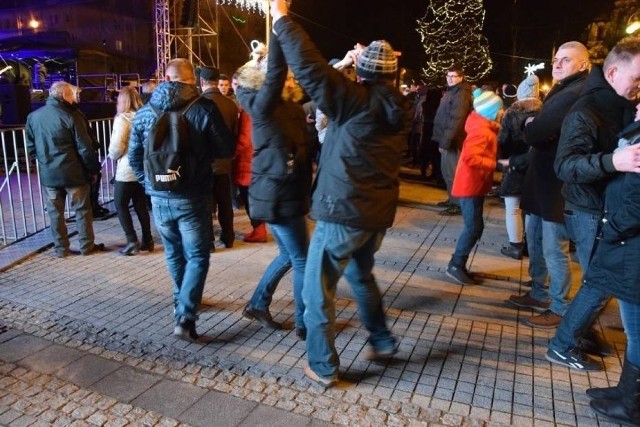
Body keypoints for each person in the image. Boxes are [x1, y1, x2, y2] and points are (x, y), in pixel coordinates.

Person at [269, 0, 414, 387]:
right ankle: (382, 340)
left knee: (318, 290)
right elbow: (328, 79)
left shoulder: (354, 101)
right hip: (374, 215)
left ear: (362, 74)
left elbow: (311, 69)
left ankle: (322, 365)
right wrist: (355, 64)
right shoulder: (399, 106)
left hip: (341, 213)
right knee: (362, 276)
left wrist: (283, 18)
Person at [545, 36, 640, 370]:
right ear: (613, 72)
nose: (639, 86)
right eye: (637, 79)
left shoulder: (620, 102)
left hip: (604, 209)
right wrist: (614, 161)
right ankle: (563, 344)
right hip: (588, 210)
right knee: (601, 283)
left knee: (601, 280)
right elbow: (565, 166)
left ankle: (579, 334)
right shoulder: (588, 109)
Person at [128, 58, 233, 341]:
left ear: (166, 77)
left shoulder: (144, 111)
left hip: (159, 196)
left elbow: (135, 156)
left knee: (173, 252)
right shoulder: (203, 108)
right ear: (192, 80)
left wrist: (149, 183)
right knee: (198, 255)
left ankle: (181, 300)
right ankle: (186, 315)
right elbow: (225, 148)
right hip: (194, 194)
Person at [508, 41, 591, 328]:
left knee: (554, 246)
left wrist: (531, 124)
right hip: (541, 180)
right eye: (556, 59)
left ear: (582, 65)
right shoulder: (563, 88)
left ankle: (560, 306)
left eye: (565, 60)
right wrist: (533, 125)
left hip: (556, 185)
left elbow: (537, 131)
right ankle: (539, 292)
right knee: (536, 239)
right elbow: (537, 129)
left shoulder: (575, 91)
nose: (557, 64)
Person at [235, 36, 312, 338]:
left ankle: (257, 304)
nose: (289, 75)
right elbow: (276, 71)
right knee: (302, 258)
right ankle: (306, 323)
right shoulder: (261, 105)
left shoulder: (289, 107)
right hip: (278, 193)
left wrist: (341, 68)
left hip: (288, 191)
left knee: (288, 255)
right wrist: (280, 26)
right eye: (284, 73)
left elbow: (317, 94)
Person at [582, 108, 640, 425]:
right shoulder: (634, 132)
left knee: (638, 331)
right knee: (634, 329)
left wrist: (611, 226)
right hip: (629, 243)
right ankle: (625, 392)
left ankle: (631, 405)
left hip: (632, 244)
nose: (636, 104)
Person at [25, 81, 103, 257]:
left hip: (49, 175)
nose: (75, 98)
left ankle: (61, 249)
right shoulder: (72, 117)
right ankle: (86, 246)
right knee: (82, 211)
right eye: (73, 95)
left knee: (55, 214)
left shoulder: (33, 117)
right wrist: (93, 169)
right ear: (65, 95)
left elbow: (31, 147)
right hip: (74, 174)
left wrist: (45, 162)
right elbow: (85, 148)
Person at [445, 91, 503, 285]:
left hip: (474, 185)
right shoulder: (482, 131)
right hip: (470, 185)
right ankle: (455, 265)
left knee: (475, 226)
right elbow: (471, 158)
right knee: (473, 227)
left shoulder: (483, 126)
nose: (502, 111)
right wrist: (497, 164)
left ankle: (458, 264)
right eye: (499, 108)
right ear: (491, 111)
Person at [497, 74, 542, 260]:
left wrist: (505, 161)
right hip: (537, 167)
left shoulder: (512, 113)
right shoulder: (545, 112)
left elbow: (503, 141)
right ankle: (530, 245)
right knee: (531, 208)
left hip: (515, 165)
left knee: (512, 207)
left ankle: (515, 245)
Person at [108, 86, 153, 256]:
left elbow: (116, 147)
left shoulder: (123, 119)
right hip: (143, 167)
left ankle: (131, 240)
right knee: (140, 204)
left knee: (120, 204)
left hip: (127, 168)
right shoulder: (145, 116)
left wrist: (113, 155)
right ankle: (147, 240)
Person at [200, 66, 238, 249]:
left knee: (206, 205)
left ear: (202, 82)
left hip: (204, 165)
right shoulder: (230, 105)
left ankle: (209, 241)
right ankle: (228, 236)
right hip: (224, 163)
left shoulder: (197, 103)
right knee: (225, 203)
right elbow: (235, 134)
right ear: (217, 81)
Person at [431, 66, 473, 216]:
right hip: (447, 139)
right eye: (448, 75)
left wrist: (446, 142)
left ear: (461, 77)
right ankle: (452, 199)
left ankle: (457, 204)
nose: (450, 78)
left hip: (453, 141)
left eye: (453, 76)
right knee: (447, 171)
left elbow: (456, 119)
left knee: (452, 173)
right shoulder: (452, 91)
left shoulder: (461, 94)